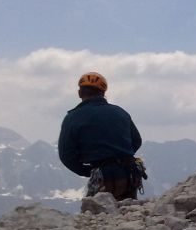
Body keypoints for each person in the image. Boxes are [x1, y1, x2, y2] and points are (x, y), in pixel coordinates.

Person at [58, 72, 143, 200]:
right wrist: (122, 155)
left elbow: (66, 155)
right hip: (130, 174)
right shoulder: (120, 112)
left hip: (102, 175)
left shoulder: (72, 118)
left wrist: (86, 171)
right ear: (103, 93)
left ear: (79, 93)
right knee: (125, 213)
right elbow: (136, 141)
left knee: (96, 213)